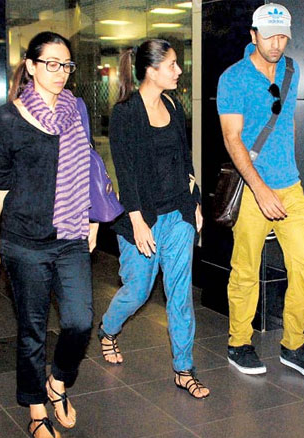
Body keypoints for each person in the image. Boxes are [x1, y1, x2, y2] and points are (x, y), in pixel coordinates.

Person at [0, 31, 99, 438]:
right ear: (31, 66)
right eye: (51, 63)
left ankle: (58, 381)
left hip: (70, 234)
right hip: (24, 239)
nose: (60, 72)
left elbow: (89, 167)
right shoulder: (7, 118)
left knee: (80, 321)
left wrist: (93, 220)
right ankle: (35, 410)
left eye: (66, 64)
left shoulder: (76, 110)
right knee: (32, 331)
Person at [216, 3, 304, 379]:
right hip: (252, 189)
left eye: (282, 36)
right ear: (254, 35)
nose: (276, 44)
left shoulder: (291, 70)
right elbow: (232, 138)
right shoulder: (233, 78)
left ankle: (293, 345)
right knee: (245, 271)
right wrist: (260, 189)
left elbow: (283, 127)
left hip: (290, 187)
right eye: (269, 36)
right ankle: (239, 343)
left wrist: (283, 179)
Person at [97, 39, 210, 399]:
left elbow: (184, 159)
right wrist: (137, 221)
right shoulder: (125, 113)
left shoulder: (173, 106)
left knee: (179, 294)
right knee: (138, 291)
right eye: (172, 65)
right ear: (151, 70)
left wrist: (194, 201)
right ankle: (108, 329)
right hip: (141, 217)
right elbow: (125, 171)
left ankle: (184, 369)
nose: (178, 71)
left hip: (177, 214)